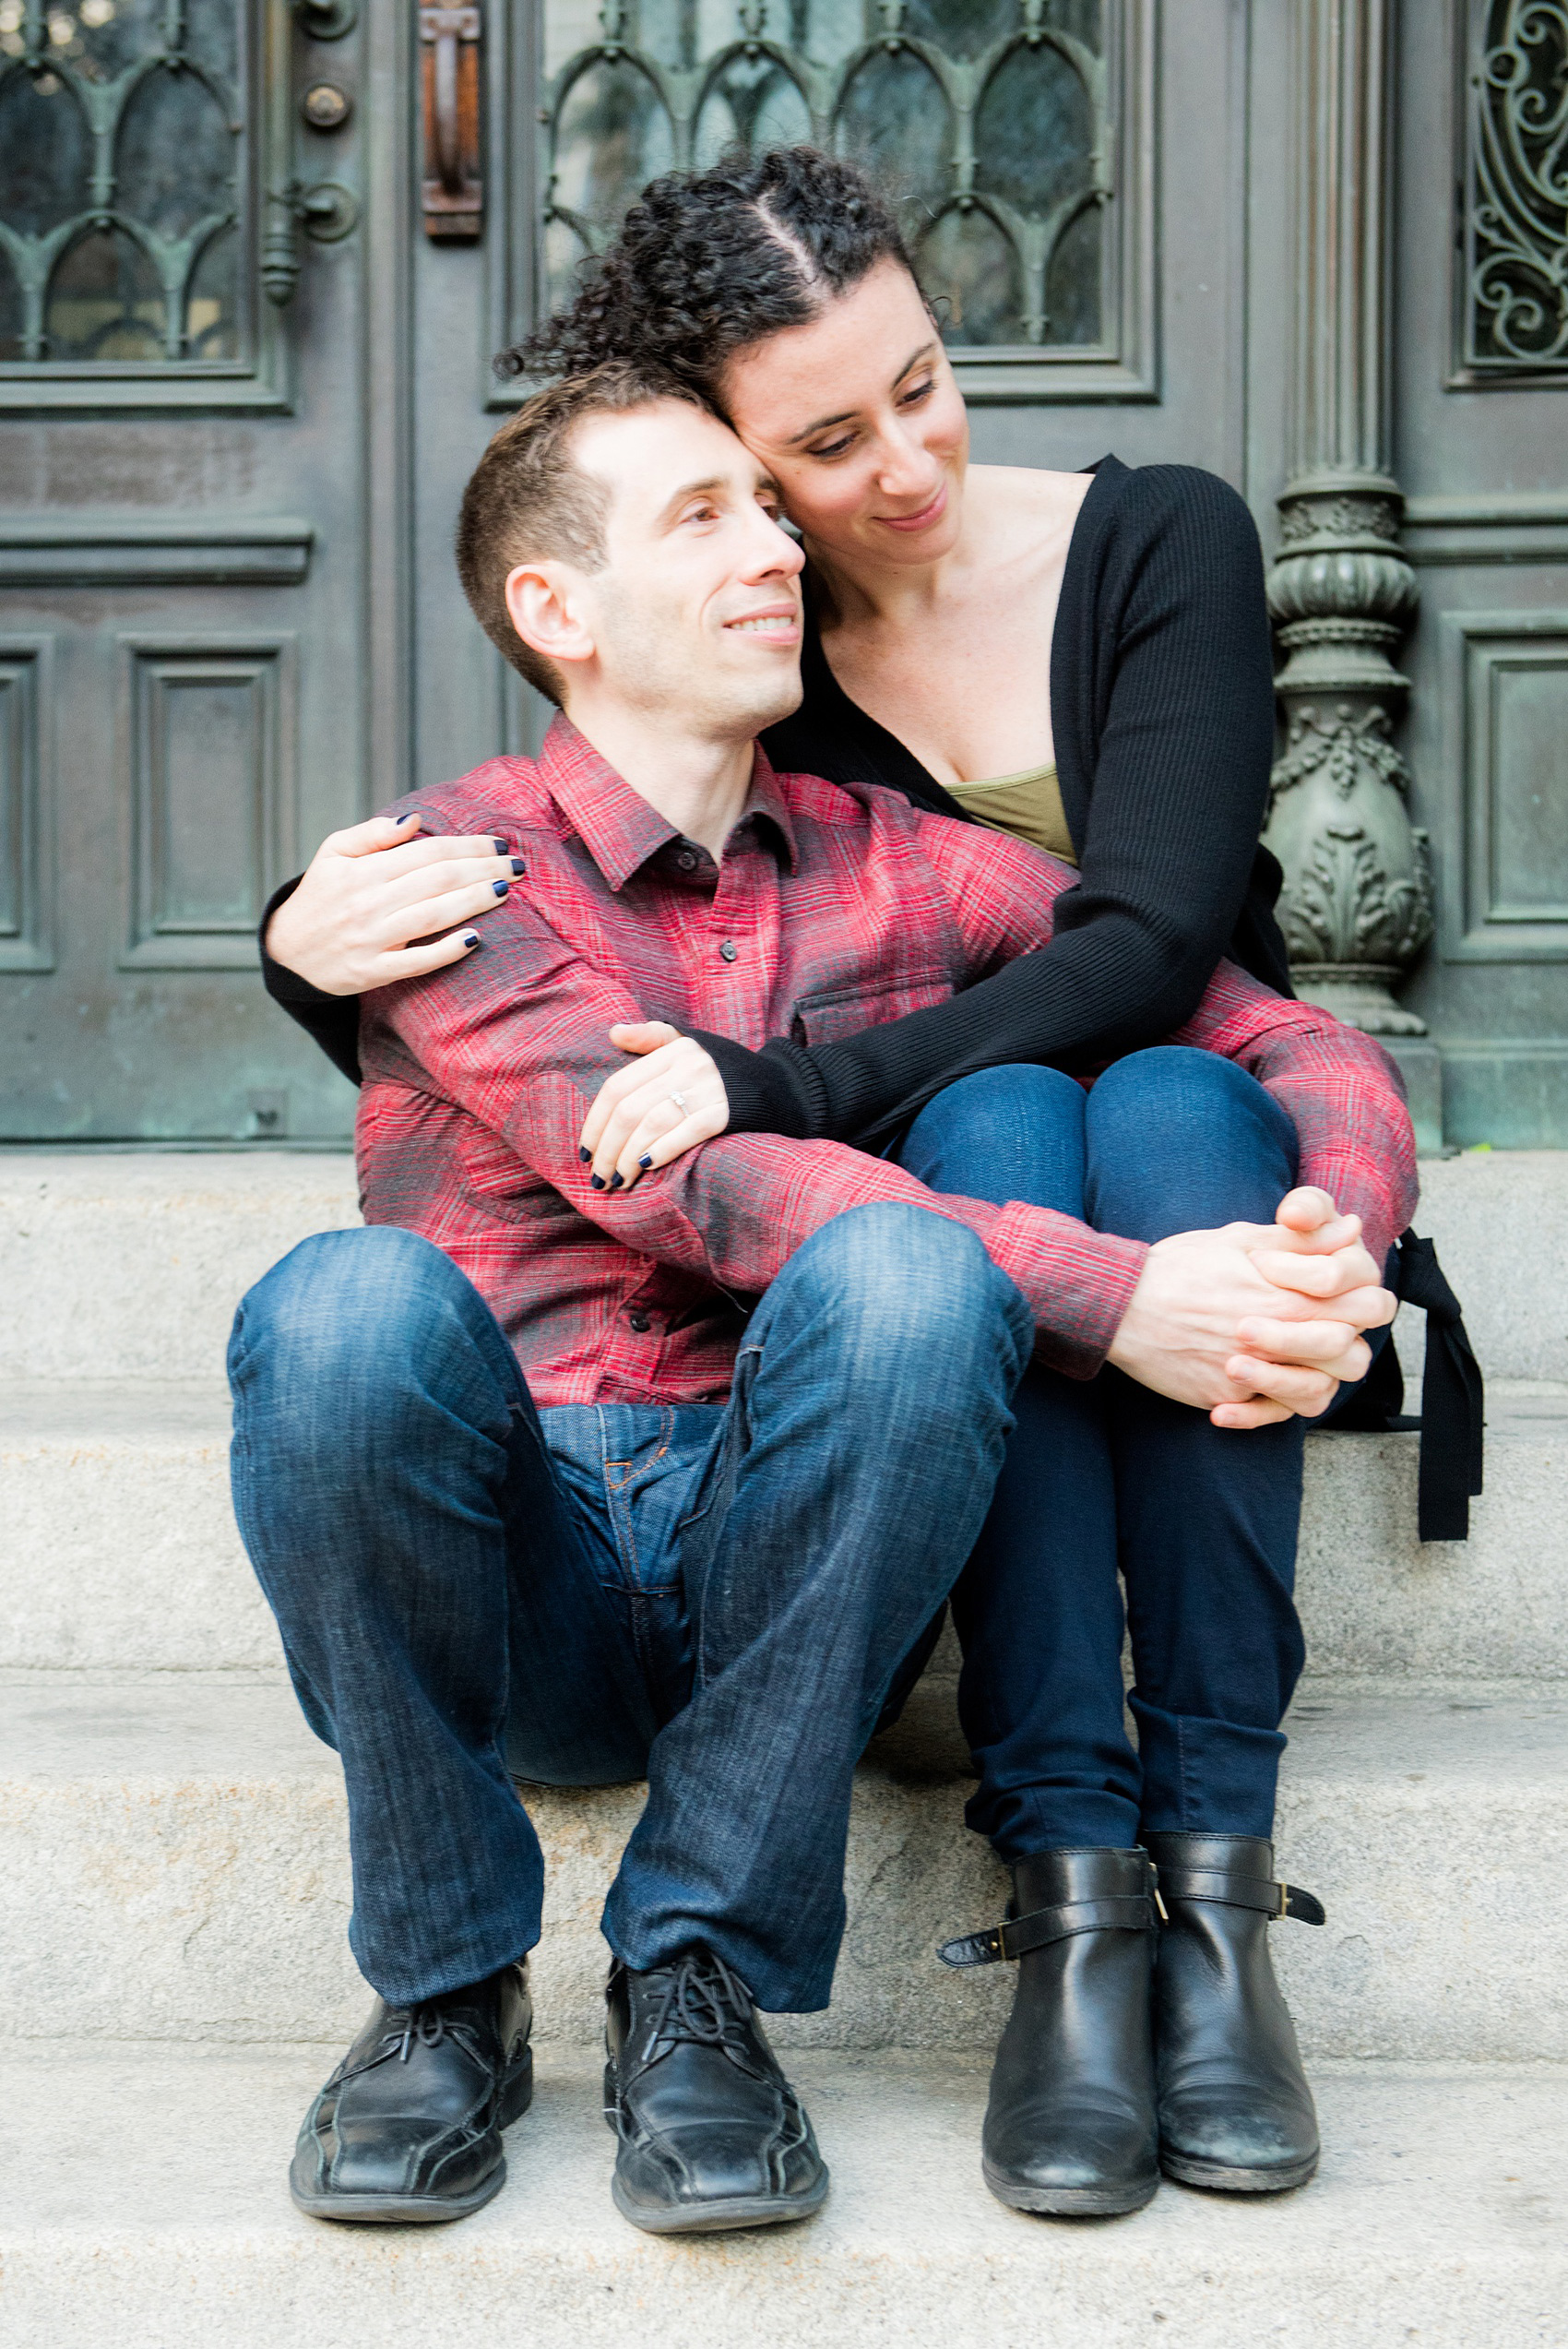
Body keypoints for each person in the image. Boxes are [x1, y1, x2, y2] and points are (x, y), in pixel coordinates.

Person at [232, 358, 1411, 2237]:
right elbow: (689, 1178)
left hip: (779, 1560)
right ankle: (443, 1995)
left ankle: (693, 1979)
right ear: (556, 608)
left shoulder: (916, 867)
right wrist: (1119, 1296)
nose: (775, 545)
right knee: (338, 1310)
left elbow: (1277, 1028)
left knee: (900, 1280)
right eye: (703, 515)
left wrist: (1324, 1236)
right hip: (518, 1547)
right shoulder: (440, 874)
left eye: (767, 510)